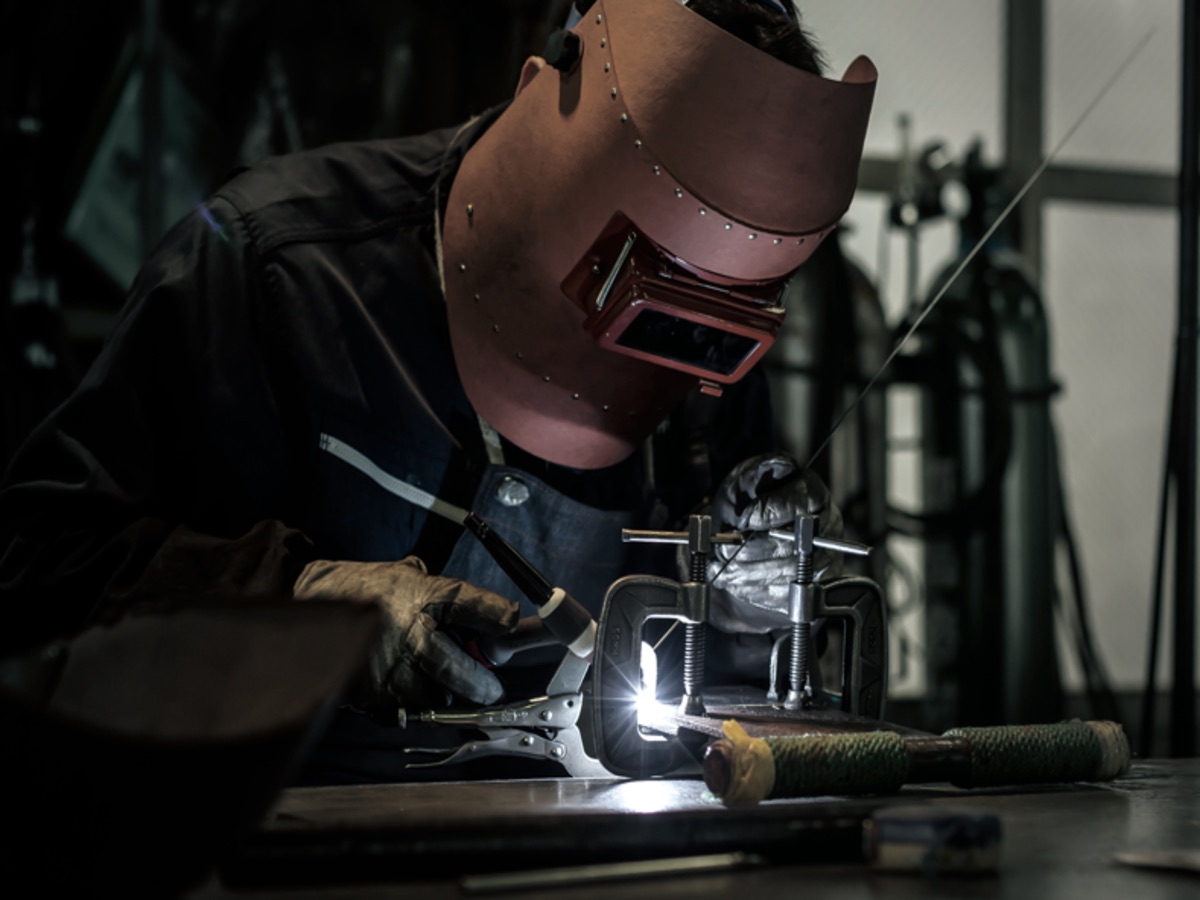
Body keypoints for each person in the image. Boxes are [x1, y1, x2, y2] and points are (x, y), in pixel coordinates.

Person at [0, 0, 876, 782]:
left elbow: (709, 691)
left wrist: (762, 603)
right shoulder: (272, 270)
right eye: (643, 303)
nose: (666, 374)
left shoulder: (705, 362)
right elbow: (34, 570)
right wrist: (292, 596)